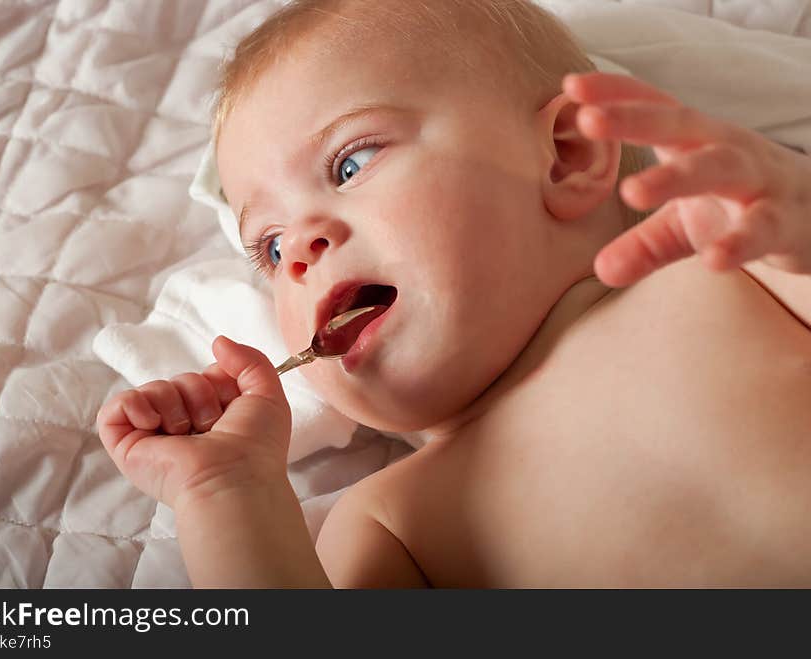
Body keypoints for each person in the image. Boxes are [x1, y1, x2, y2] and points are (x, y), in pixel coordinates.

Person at [96, 0, 811, 587]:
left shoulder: (730, 270)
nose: (302, 250)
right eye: (271, 248)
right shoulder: (391, 519)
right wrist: (228, 499)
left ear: (565, 155)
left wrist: (795, 211)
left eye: (351, 162)